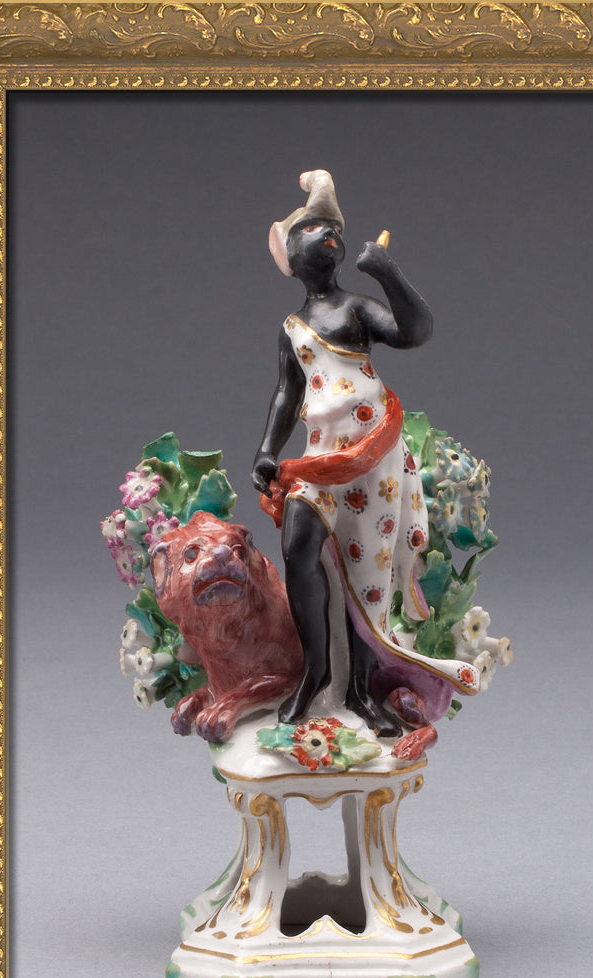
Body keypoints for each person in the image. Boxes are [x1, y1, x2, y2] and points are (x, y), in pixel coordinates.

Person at [251, 170, 477, 736]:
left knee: (367, 574)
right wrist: (267, 449)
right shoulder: (293, 328)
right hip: (321, 460)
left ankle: (359, 690)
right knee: (298, 547)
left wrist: (388, 273)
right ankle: (316, 671)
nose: (327, 232)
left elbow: (414, 332)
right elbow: (287, 393)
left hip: (375, 459)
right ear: (289, 256)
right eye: (311, 228)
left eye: (332, 227)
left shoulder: (355, 308)